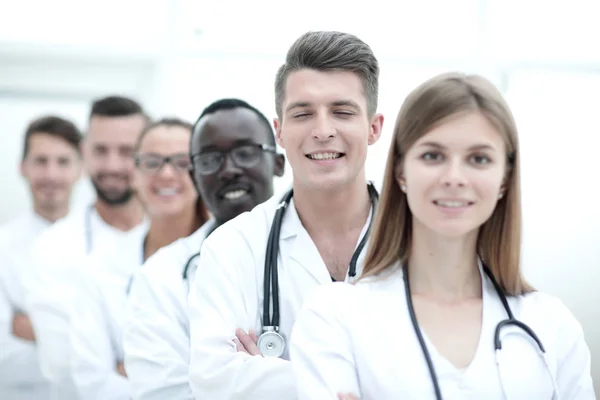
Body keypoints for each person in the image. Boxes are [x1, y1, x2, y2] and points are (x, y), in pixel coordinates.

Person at [289, 72, 596, 400]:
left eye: (479, 159)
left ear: (504, 179)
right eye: (433, 156)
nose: (454, 178)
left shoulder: (551, 326)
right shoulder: (335, 318)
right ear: (401, 171)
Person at [187, 30, 384, 399]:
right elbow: (213, 381)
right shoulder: (234, 247)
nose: (323, 131)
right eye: (303, 113)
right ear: (279, 130)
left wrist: (268, 373)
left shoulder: (420, 240)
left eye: (342, 112)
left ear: (373, 127)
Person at [123, 98, 285, 400]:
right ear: (195, 176)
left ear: (278, 162)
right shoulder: (160, 277)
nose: (229, 170)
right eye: (210, 160)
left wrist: (235, 382)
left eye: (246, 153)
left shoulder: (325, 252)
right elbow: (160, 393)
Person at [66, 118, 210, 399]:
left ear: (202, 172)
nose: (167, 174)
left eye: (182, 162)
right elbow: (92, 382)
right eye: (152, 162)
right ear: (134, 173)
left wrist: (141, 372)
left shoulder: (231, 254)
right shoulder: (100, 268)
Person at [23, 95, 150, 399]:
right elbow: (65, 369)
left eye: (126, 152)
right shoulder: (52, 248)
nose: (113, 165)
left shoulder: (178, 238)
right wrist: (158, 372)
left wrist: (116, 364)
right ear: (84, 153)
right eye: (101, 151)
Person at [0, 115, 82, 400]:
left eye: (63, 162)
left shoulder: (103, 244)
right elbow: (4, 359)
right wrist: (83, 335)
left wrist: (34, 329)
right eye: (40, 161)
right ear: (22, 167)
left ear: (80, 168)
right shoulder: (2, 246)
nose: (51, 174)